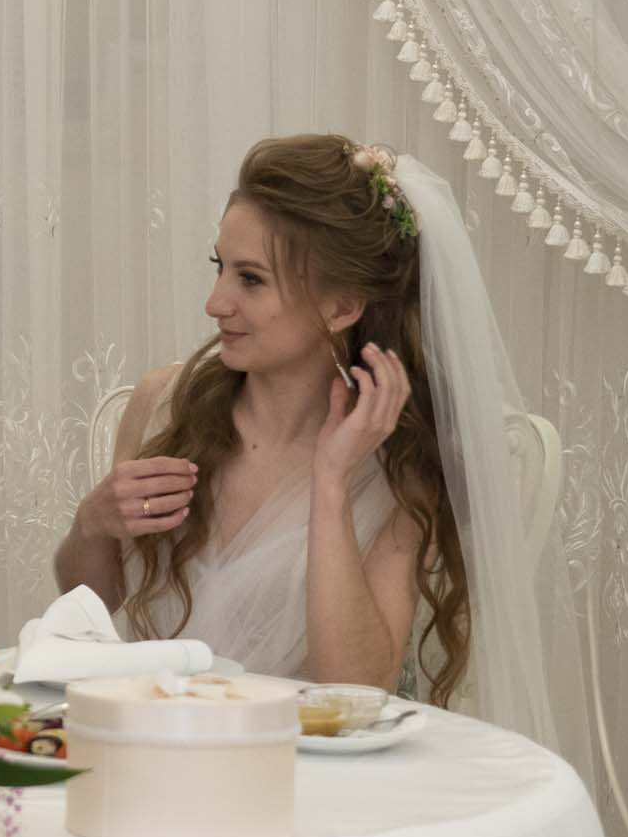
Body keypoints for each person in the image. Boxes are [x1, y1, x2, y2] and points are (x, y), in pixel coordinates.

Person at [53, 133, 465, 697]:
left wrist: (332, 479)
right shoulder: (162, 406)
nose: (215, 303)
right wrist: (92, 525)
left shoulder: (399, 472)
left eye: (250, 279)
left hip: (302, 749)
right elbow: (89, 610)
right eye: (219, 267)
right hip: (156, 731)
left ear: (342, 306)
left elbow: (355, 688)